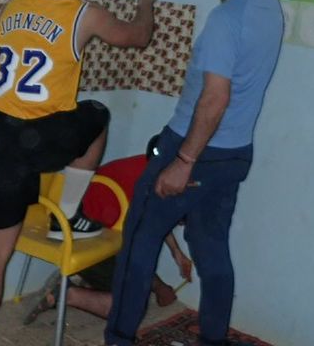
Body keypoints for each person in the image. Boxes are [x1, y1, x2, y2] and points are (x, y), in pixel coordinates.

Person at [0, 0, 160, 346]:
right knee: (97, 114)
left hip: (2, 135)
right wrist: (146, 0)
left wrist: (14, 112)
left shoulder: (16, 4)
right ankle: (65, 216)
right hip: (44, 133)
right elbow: (139, 37)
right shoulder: (84, 12)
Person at [104, 0, 283, 346]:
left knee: (140, 240)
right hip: (234, 155)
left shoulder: (226, 19)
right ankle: (214, 340)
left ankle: (118, 339)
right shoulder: (270, 8)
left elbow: (215, 97)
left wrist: (184, 162)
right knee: (211, 248)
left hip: (195, 149)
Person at [24, 135, 193, 325]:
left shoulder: (154, 169)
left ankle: (89, 285)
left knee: (134, 274)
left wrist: (175, 255)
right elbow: (146, 238)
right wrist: (159, 285)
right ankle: (65, 293)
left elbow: (155, 221)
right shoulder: (154, 183)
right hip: (79, 235)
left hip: (95, 231)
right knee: (131, 308)